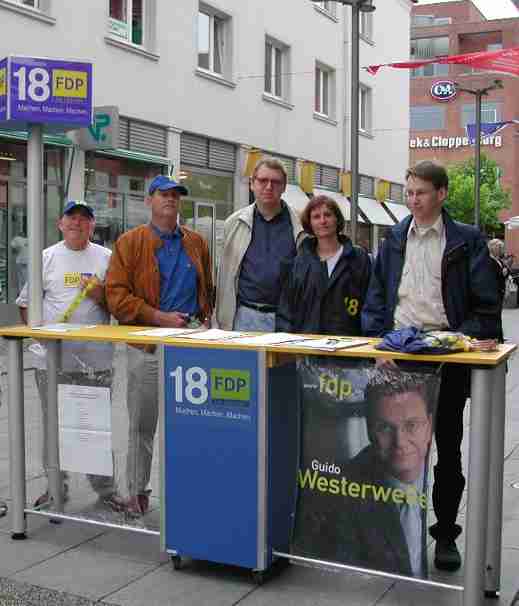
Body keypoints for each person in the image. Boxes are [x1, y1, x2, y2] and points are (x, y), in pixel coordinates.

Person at [362, 160, 500, 571]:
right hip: (399, 356)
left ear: (441, 194)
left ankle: (444, 535)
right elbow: (376, 298)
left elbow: (486, 307)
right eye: (409, 192)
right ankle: (391, 531)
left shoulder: (467, 241)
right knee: (394, 449)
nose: (413, 200)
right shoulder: (393, 237)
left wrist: (461, 339)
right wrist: (378, 343)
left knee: (448, 450)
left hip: (446, 358)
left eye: (420, 192)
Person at [105, 175, 213, 516]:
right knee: (142, 424)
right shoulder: (129, 242)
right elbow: (117, 298)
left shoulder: (195, 242)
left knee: (193, 422)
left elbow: (207, 286)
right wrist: (159, 317)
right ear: (149, 200)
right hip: (148, 345)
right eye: (163, 194)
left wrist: (206, 318)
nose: (170, 200)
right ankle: (136, 493)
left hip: (192, 346)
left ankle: (193, 490)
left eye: (175, 196)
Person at [16, 200, 121, 510]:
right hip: (52, 360)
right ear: (60, 224)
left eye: (84, 219)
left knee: (96, 425)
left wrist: (99, 293)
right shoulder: (45, 258)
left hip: (96, 361)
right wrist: (40, 336)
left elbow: (118, 305)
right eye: (71, 218)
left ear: (92, 225)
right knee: (53, 426)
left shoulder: (107, 258)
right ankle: (54, 490)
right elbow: (26, 304)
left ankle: (106, 490)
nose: (77, 223)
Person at [335, 370, 436, 577]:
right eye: (385, 428)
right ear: (369, 430)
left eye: (412, 425)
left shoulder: (441, 473)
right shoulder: (344, 497)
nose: (400, 442)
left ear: (429, 426)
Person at [215, 158, 305, 331]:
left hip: (288, 319)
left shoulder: (301, 226)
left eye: (276, 182)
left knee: (285, 360)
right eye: (263, 180)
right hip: (244, 317)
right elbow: (224, 275)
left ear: (284, 187)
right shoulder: (234, 224)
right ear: (252, 184)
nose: (269, 186)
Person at [276, 195, 371, 335]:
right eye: (316, 216)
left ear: (337, 219)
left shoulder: (359, 258)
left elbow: (371, 304)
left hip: (349, 346)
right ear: (309, 223)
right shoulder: (299, 263)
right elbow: (286, 309)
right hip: (308, 346)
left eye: (328, 215)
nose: (323, 221)